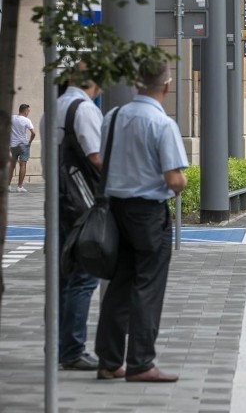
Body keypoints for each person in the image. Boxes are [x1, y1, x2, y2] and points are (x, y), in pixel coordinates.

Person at [94, 58, 188, 383]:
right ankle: (141, 362)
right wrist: (182, 184)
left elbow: (102, 161)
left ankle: (108, 361)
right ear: (166, 85)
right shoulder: (162, 125)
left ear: (137, 83)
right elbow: (173, 179)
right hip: (147, 214)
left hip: (114, 209)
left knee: (117, 286)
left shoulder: (113, 117)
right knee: (147, 286)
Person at [46, 68, 104, 371]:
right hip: (81, 204)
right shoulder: (83, 109)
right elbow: (96, 157)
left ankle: (57, 345)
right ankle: (72, 349)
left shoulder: (50, 109)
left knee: (60, 275)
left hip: (56, 199)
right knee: (83, 276)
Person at [9, 103, 36, 192]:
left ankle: (8, 186)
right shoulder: (27, 120)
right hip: (23, 145)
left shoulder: (12, 118)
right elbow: (33, 133)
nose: (28, 113)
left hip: (13, 145)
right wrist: (30, 142)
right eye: (28, 111)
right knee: (22, 165)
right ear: (25, 111)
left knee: (12, 165)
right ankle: (19, 187)